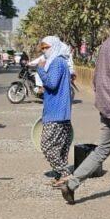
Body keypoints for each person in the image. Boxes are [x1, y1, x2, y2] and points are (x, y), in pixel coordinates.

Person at [56, 9, 110, 204]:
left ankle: (71, 184)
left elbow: (96, 77)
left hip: (105, 106)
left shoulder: (106, 44)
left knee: (102, 150)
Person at [36, 36, 75, 183]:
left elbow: (52, 83)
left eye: (46, 47)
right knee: (60, 146)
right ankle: (60, 176)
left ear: (54, 47)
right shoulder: (61, 62)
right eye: (42, 48)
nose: (44, 50)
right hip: (61, 111)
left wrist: (40, 69)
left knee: (46, 145)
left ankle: (64, 173)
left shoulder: (57, 62)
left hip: (55, 112)